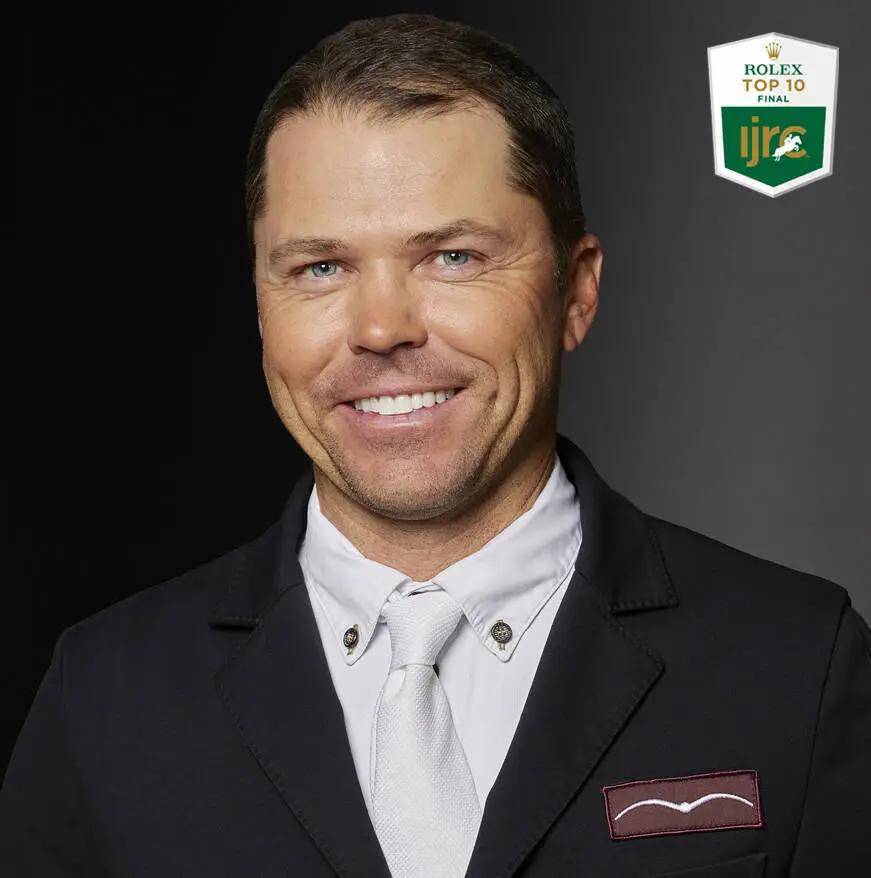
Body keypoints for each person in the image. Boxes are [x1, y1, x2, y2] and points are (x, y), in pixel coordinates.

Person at [3, 12, 869, 877]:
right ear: (261, 305)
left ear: (575, 292)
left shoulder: (797, 665)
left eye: (452, 257)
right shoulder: (102, 698)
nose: (382, 328)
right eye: (319, 268)